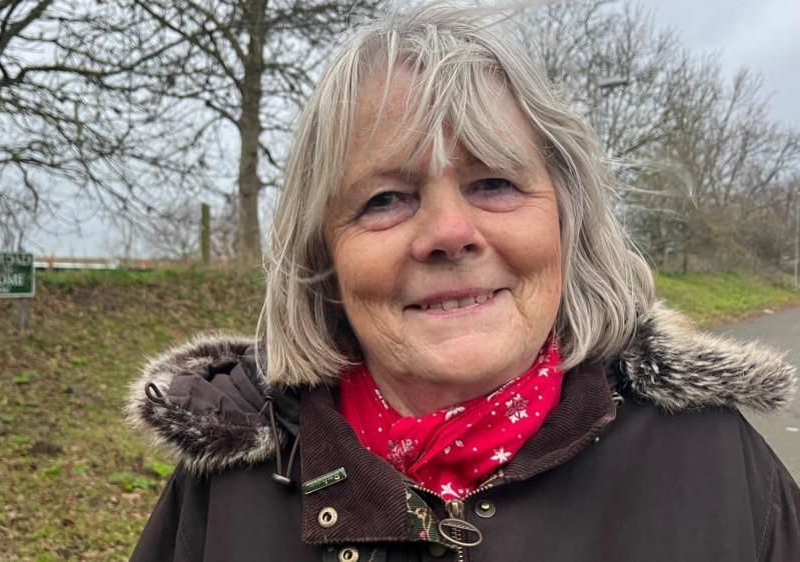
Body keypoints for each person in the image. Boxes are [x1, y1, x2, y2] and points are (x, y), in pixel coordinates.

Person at [127, 3, 800, 561]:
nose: (449, 232)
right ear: (321, 257)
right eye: (385, 199)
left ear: (567, 224)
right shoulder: (223, 494)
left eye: (494, 183)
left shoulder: (714, 461)